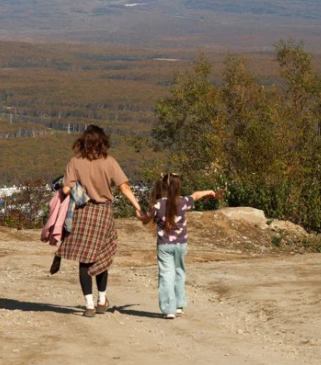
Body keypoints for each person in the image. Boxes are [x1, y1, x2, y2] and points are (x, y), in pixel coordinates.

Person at [55, 125, 144, 317]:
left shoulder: (75, 162)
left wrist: (66, 187)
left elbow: (66, 190)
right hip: (104, 214)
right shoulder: (109, 162)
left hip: (82, 213)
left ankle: (88, 305)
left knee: (84, 260)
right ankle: (102, 300)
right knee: (102, 258)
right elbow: (124, 187)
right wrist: (138, 208)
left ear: (83, 142)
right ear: (103, 141)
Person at [142, 172, 217, 319]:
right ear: (177, 187)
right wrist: (209, 192)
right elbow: (195, 195)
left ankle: (169, 309)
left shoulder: (157, 204)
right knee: (179, 273)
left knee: (166, 275)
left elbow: (146, 218)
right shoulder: (183, 201)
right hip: (181, 244)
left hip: (164, 245)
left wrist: (138, 212)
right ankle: (179, 305)